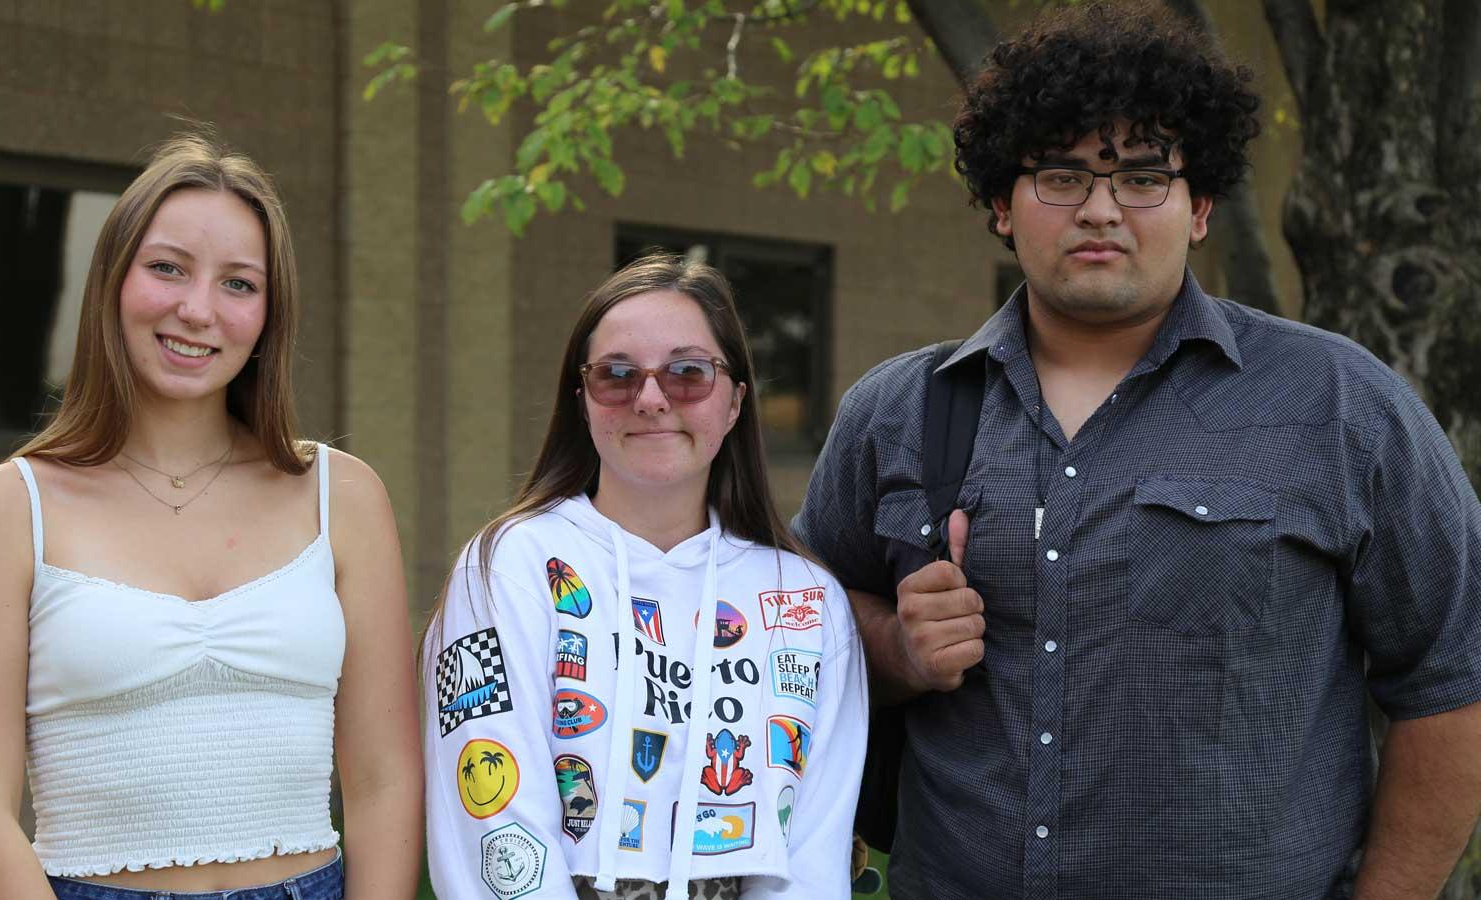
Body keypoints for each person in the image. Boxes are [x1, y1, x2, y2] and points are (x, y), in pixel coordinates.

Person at [793, 3, 1481, 898]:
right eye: (1062, 176)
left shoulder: (1340, 404)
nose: (1102, 211)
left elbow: (1452, 679)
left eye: (1145, 178)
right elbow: (790, 646)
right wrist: (896, 647)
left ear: (1199, 207)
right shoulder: (897, 409)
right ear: (1003, 204)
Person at [0, 134, 421, 900]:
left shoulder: (341, 496)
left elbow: (384, 781)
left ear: (269, 314)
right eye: (167, 268)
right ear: (113, 281)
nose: (198, 310)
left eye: (239, 284)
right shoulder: (2, 511)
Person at [421, 253, 866, 900]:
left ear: (737, 399)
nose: (651, 398)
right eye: (617, 375)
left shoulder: (805, 600)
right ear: (583, 402)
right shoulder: (508, 566)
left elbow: (814, 856)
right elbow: (492, 816)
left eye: (688, 373)